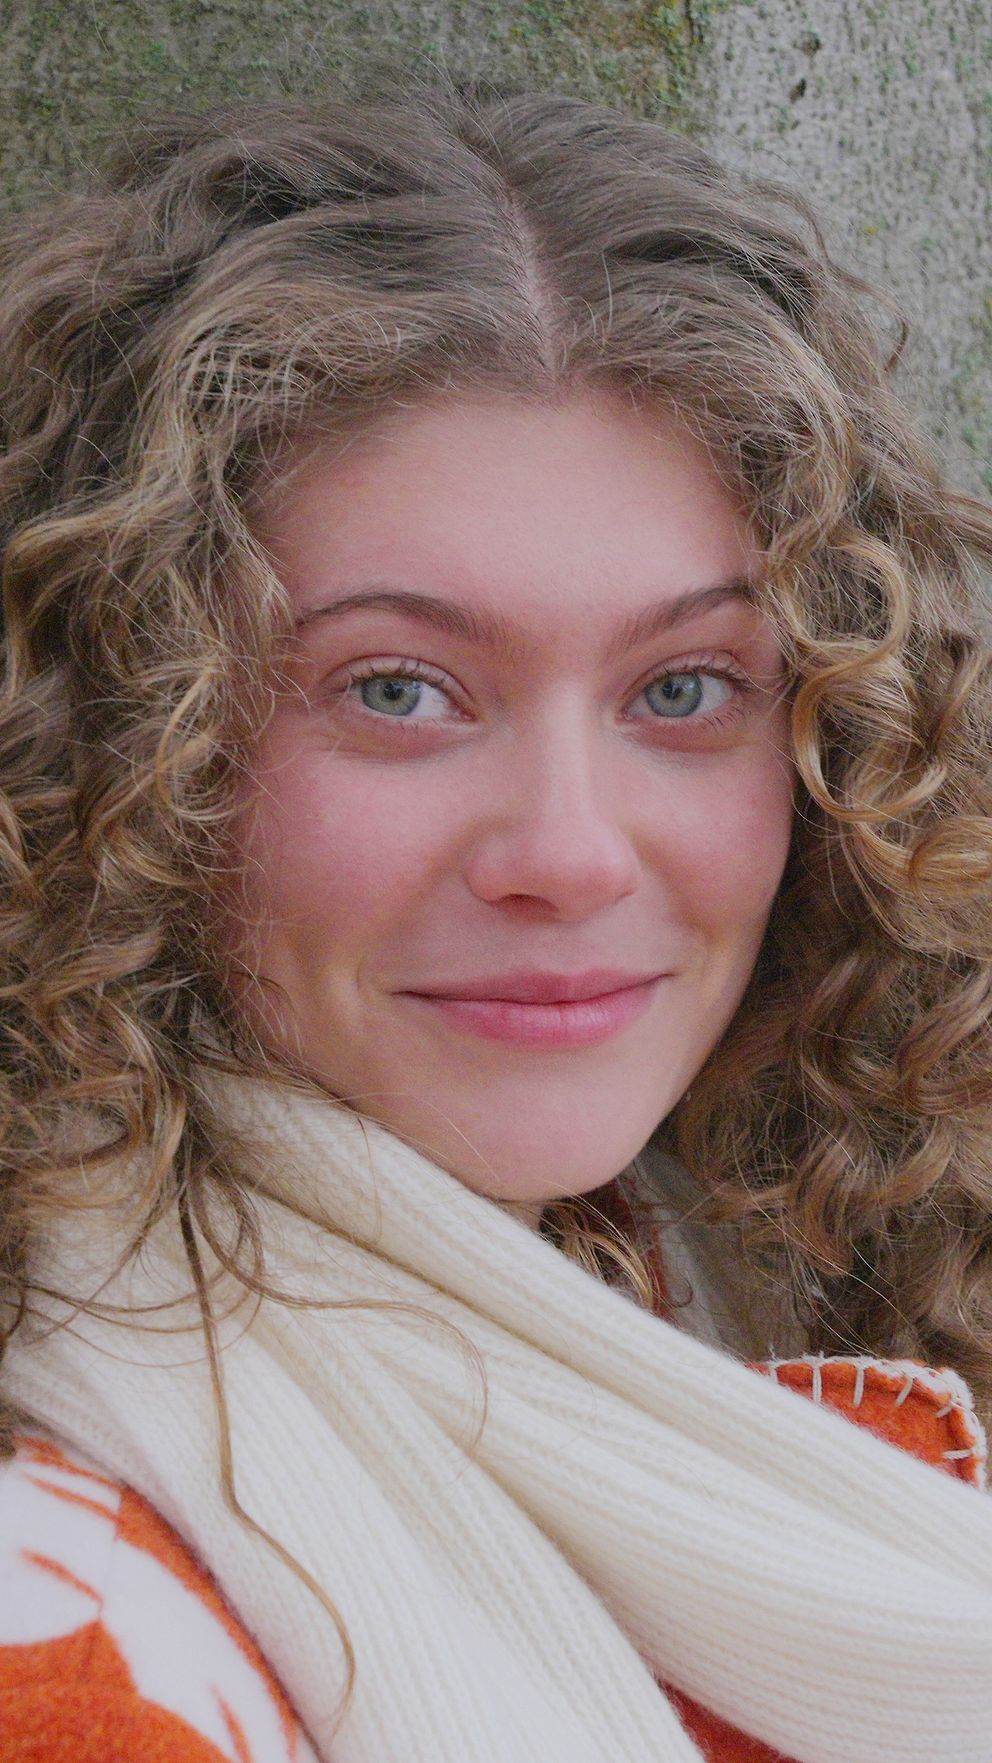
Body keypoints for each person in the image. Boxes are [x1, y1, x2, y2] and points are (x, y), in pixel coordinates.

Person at [0, 69, 991, 1763]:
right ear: (114, 736)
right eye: (397, 689)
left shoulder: (734, 1313)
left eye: (685, 687)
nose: (572, 855)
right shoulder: (69, 1650)